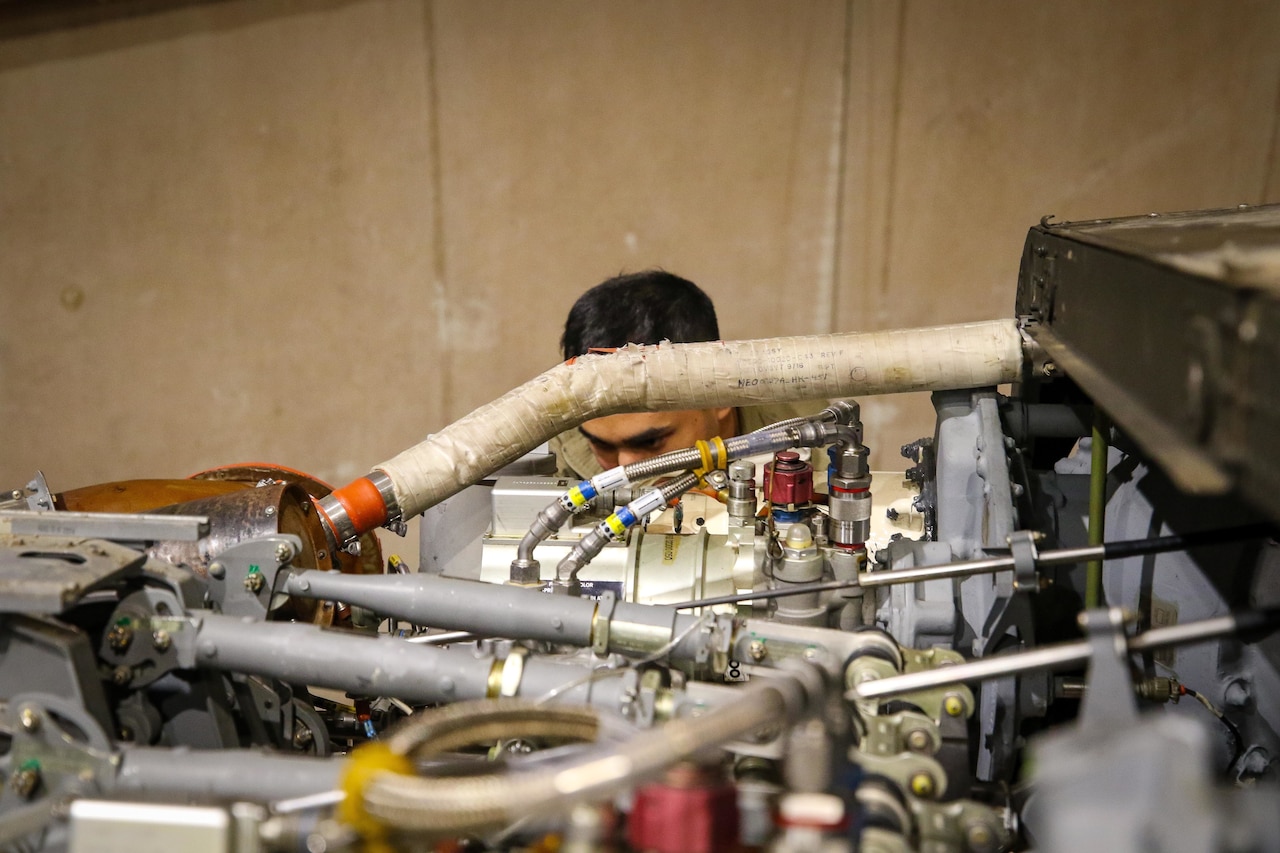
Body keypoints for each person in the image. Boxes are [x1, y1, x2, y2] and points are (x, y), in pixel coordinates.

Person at [549, 270, 823, 479]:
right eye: (602, 446)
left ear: (719, 392)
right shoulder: (564, 440)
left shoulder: (810, 442)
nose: (626, 468)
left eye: (651, 442)